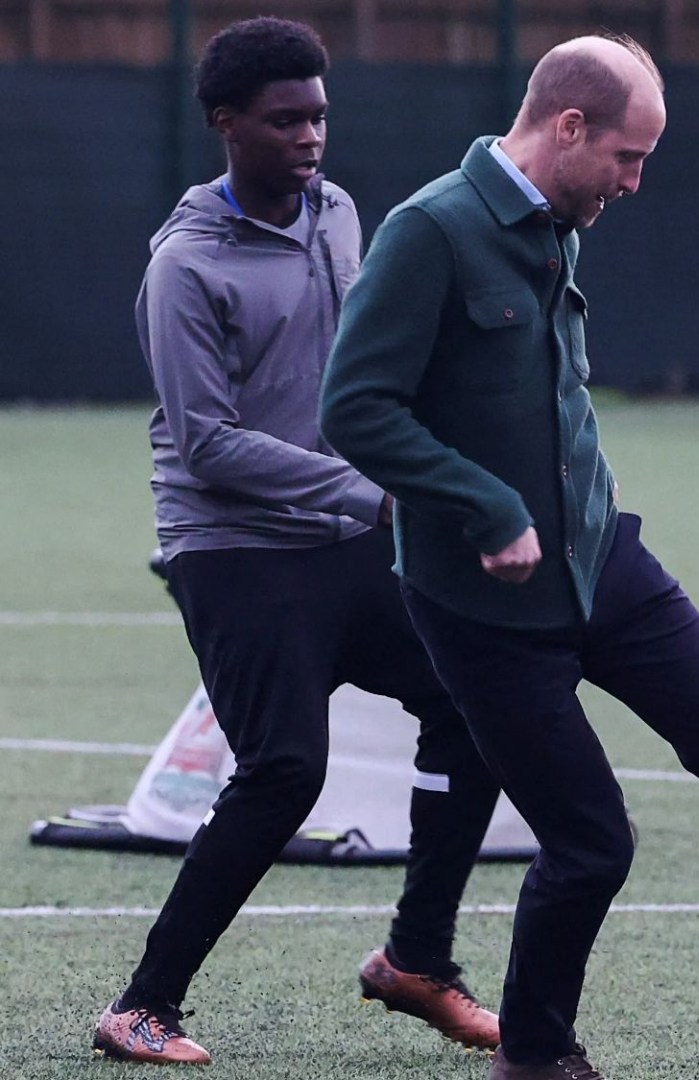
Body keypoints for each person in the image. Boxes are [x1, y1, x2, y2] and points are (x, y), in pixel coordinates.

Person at [319, 34, 699, 1080]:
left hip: (603, 560)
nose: (635, 181)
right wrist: (484, 507)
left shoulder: (562, 219)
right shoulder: (429, 231)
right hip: (480, 607)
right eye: (627, 155)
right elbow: (352, 409)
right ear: (566, 127)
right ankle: (534, 1059)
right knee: (592, 845)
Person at [96, 16, 505, 1066]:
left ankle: (419, 961)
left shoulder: (338, 214)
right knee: (284, 773)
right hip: (232, 547)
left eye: (319, 115)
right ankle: (141, 1008)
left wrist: (418, 458)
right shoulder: (185, 268)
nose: (311, 136)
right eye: (285, 121)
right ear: (228, 126)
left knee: (472, 704)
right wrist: (371, 495)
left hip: (343, 527)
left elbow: (359, 371)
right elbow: (207, 442)